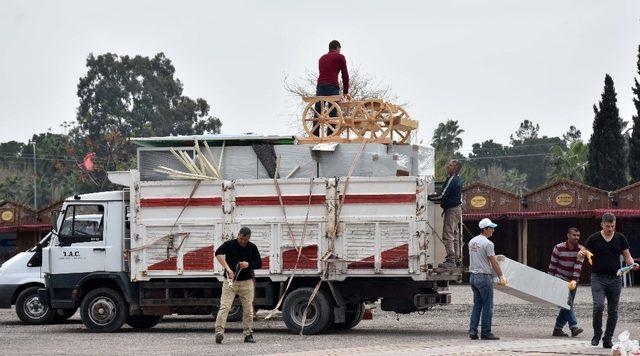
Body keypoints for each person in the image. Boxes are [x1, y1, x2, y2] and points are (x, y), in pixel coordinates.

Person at [580, 213, 639, 349]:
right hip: (597, 278)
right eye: (607, 226)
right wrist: (581, 254)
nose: (610, 229)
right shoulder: (593, 238)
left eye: (613, 226)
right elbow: (582, 252)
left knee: (613, 311)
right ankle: (597, 334)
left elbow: (628, 257)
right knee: (598, 306)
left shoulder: (620, 238)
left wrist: (633, 265)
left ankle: (608, 338)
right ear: (602, 225)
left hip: (615, 279)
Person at [214, 227, 262, 344]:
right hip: (230, 280)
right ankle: (219, 332)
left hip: (247, 282)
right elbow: (218, 253)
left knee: (248, 309)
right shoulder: (229, 244)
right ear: (238, 235)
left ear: (249, 238)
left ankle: (248, 334)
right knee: (225, 306)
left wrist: (248, 264)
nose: (243, 241)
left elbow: (259, 263)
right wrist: (228, 269)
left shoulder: (252, 247)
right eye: (241, 239)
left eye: (245, 240)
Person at [468, 218, 506, 341]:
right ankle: (486, 333)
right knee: (487, 306)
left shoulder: (472, 241)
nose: (493, 230)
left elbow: (481, 257)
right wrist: (501, 276)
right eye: (491, 228)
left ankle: (473, 331)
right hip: (484, 277)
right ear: (485, 229)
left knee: (477, 305)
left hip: (473, 277)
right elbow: (493, 263)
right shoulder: (488, 244)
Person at [547, 227, 584, 338]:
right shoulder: (558, 248)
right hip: (560, 278)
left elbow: (578, 267)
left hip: (572, 280)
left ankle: (557, 329)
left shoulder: (581, 250)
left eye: (578, 235)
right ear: (568, 235)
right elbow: (553, 265)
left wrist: (574, 281)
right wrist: (549, 281)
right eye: (574, 235)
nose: (576, 238)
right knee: (568, 303)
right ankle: (574, 327)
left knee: (566, 305)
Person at [428, 159, 462, 268]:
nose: (448, 166)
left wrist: (427, 197)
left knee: (448, 234)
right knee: (455, 235)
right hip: (456, 209)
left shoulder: (453, 180)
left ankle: (451, 260)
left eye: (450, 165)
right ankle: (456, 259)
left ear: (455, 168)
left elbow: (442, 195)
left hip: (451, 210)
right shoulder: (457, 179)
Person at [314, 40, 349, 137]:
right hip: (332, 85)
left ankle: (314, 134)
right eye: (339, 49)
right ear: (337, 48)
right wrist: (345, 91)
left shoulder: (321, 58)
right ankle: (331, 135)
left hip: (320, 85)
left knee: (318, 111)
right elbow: (345, 75)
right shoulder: (340, 57)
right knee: (333, 111)